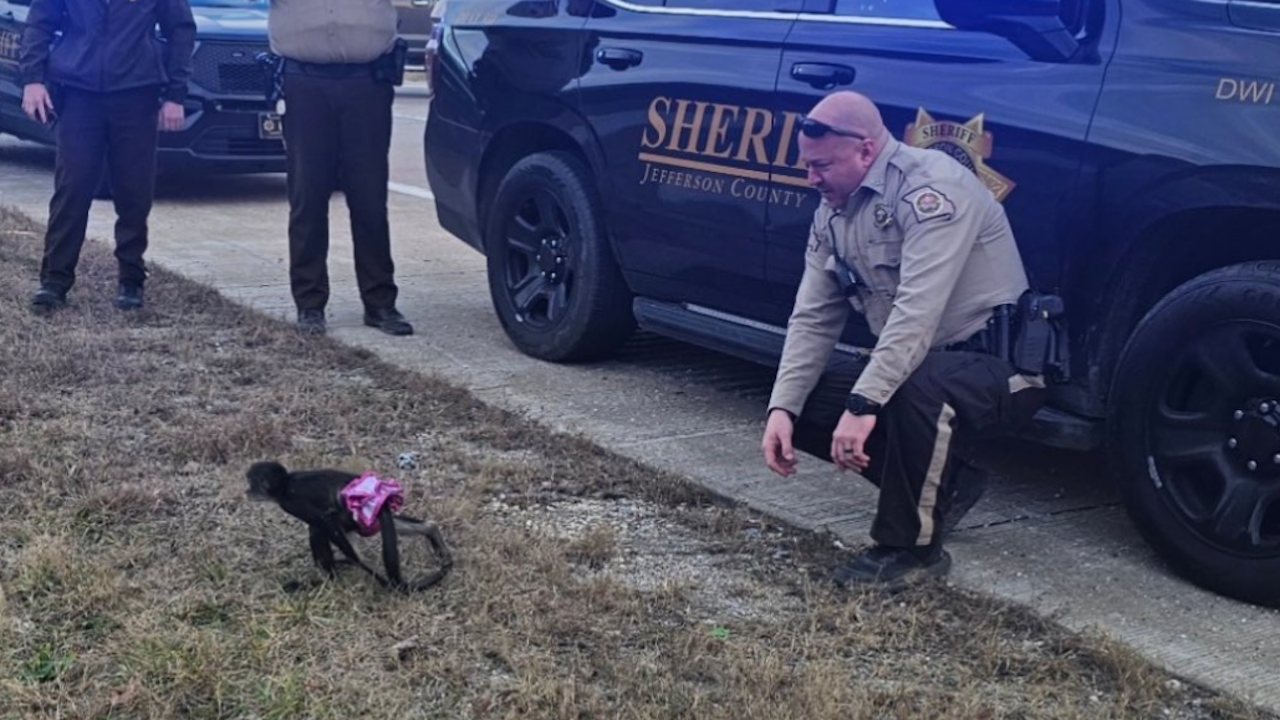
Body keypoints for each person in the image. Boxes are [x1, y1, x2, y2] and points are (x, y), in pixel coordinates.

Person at [761, 91, 1047, 591]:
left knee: (917, 388)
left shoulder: (933, 189)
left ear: (866, 151)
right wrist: (780, 410)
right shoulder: (833, 212)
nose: (811, 178)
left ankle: (909, 551)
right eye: (807, 165)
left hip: (999, 368)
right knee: (806, 401)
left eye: (822, 164)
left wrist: (864, 402)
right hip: (925, 362)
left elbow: (919, 309)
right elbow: (811, 318)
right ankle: (948, 484)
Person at [19, 0, 196, 313]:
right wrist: (33, 78)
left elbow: (180, 30)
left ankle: (131, 278)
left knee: (134, 191)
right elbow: (39, 23)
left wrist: (175, 95)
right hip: (77, 91)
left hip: (137, 91)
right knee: (73, 187)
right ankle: (54, 281)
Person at [267, 0, 414, 336]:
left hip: (368, 82)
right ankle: (310, 304)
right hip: (303, 81)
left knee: (370, 198)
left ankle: (380, 303)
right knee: (307, 195)